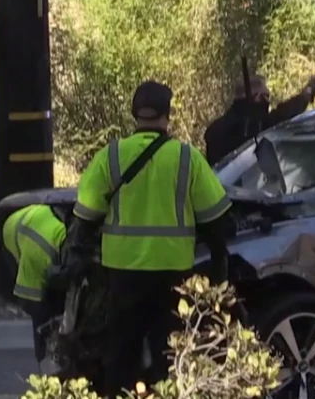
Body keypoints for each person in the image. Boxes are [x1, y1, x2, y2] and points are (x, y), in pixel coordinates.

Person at [70, 81, 232, 397]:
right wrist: (219, 264)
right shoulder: (186, 158)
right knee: (169, 355)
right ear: (167, 114)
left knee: (121, 355)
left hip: (122, 273)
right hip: (173, 273)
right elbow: (217, 219)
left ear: (134, 113)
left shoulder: (111, 156)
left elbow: (86, 217)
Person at [203, 72, 315, 166]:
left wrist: (307, 93)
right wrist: (308, 91)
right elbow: (284, 113)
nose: (268, 101)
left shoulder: (214, 129)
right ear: (257, 97)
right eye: (266, 96)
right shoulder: (255, 125)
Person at [3, 203, 70, 365]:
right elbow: (29, 301)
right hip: (15, 230)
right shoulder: (38, 254)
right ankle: (44, 360)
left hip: (42, 227)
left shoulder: (70, 238)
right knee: (43, 313)